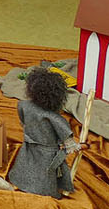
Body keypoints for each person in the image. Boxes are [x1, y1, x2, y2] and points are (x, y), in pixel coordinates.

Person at [8, 67, 80, 196]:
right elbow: (70, 144)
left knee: (26, 167)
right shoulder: (55, 118)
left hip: (28, 147)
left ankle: (20, 182)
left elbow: (23, 121)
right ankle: (41, 190)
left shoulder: (24, 105)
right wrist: (81, 146)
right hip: (47, 154)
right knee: (44, 175)